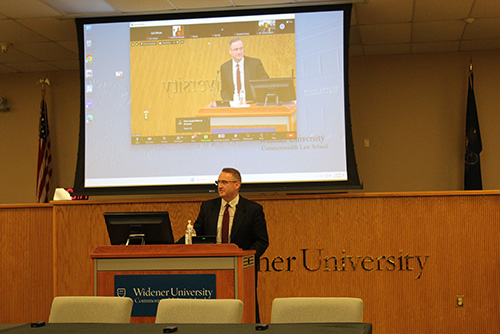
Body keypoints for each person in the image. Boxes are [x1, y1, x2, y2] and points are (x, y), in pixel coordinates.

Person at [193, 167, 269, 322]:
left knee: (246, 309)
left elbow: (262, 241)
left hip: (242, 269)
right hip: (211, 268)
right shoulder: (208, 207)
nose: (219, 186)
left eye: (224, 182)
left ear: (237, 185)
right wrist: (173, 246)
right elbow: (195, 235)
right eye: (218, 182)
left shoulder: (253, 209)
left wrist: (245, 259)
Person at [220, 38, 269, 102]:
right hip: (233, 105)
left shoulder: (255, 63)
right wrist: (230, 102)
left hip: (252, 103)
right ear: (230, 51)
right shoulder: (225, 67)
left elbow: (265, 83)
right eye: (236, 49)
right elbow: (224, 90)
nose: (239, 52)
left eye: (241, 48)